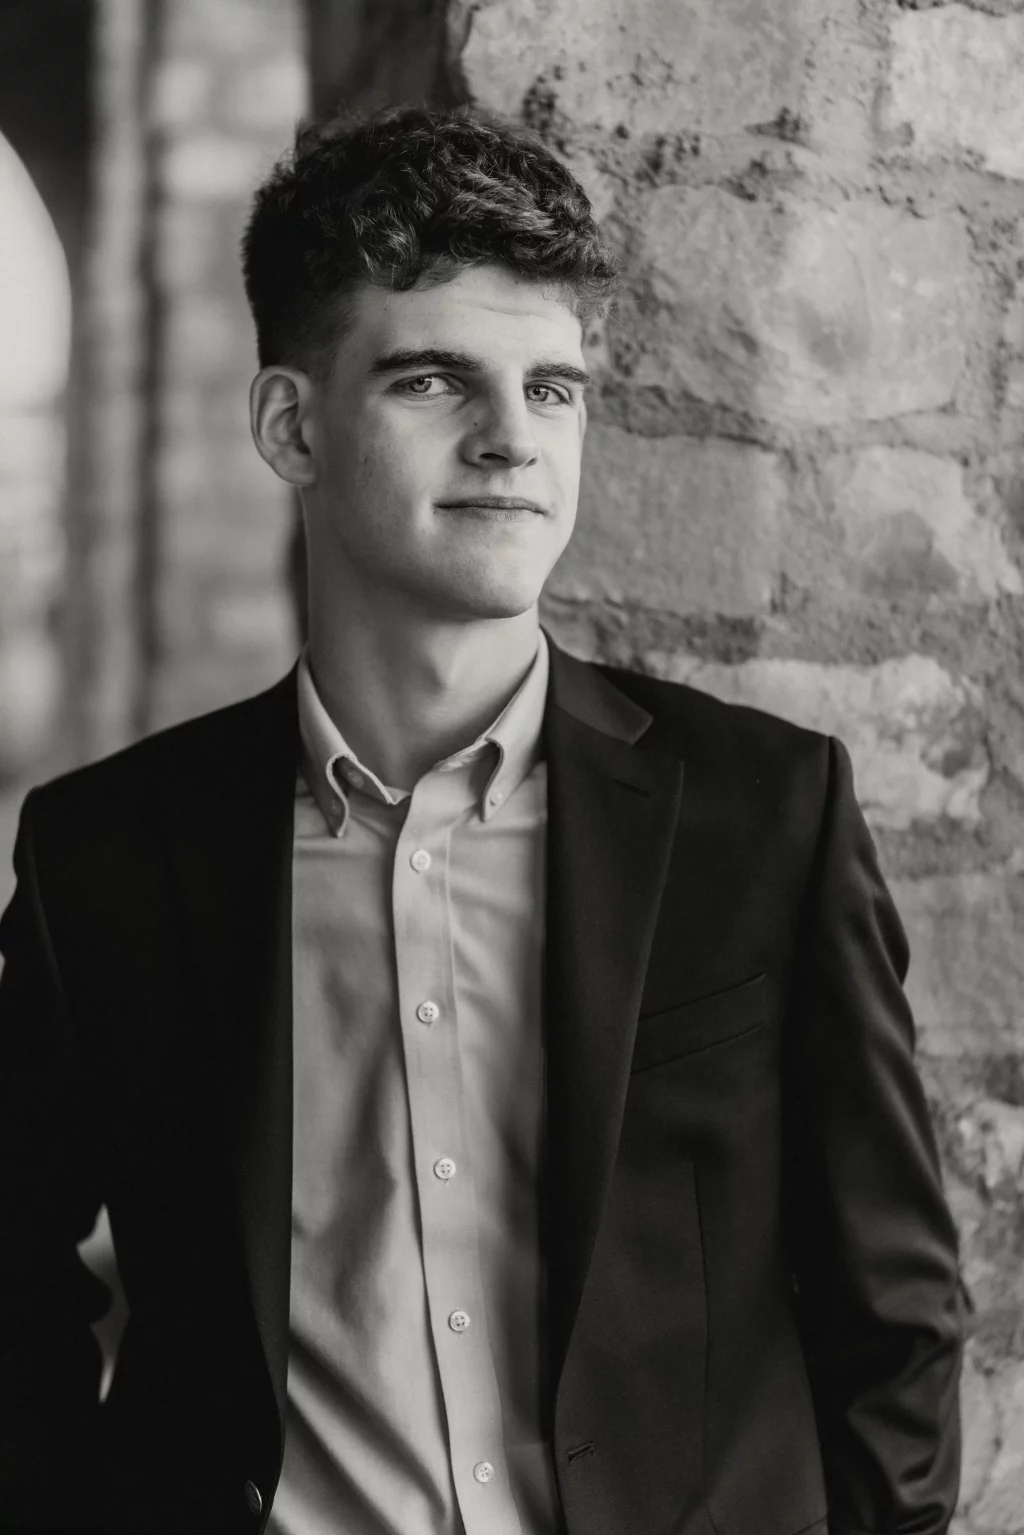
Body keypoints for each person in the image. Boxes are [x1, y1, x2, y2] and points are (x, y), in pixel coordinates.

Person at [0, 103, 965, 1535]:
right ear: (291, 426)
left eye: (552, 388)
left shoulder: (765, 816)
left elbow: (896, 1320)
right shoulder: (110, 858)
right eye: (434, 381)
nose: (513, 438)